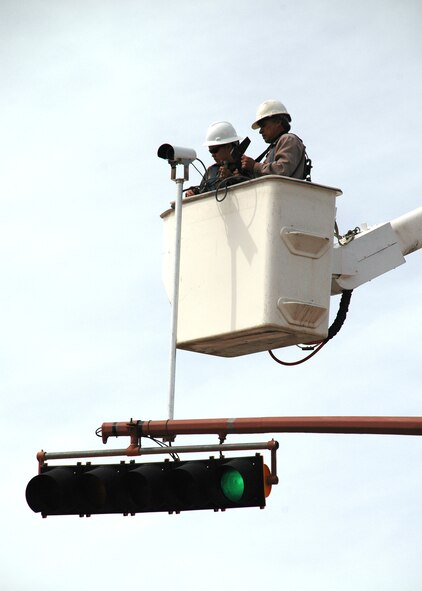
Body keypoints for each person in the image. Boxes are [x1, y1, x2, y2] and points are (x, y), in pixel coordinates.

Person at [241, 99, 308, 180]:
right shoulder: (275, 146)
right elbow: (264, 177)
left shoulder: (288, 139)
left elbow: (282, 170)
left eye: (263, 125)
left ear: (278, 121)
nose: (260, 131)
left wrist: (254, 166)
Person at [185, 121, 249, 196]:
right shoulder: (212, 171)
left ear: (228, 146)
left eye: (214, 150)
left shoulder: (247, 165)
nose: (213, 155)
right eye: (210, 152)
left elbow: (255, 188)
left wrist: (231, 179)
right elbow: (203, 194)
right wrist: (193, 193)